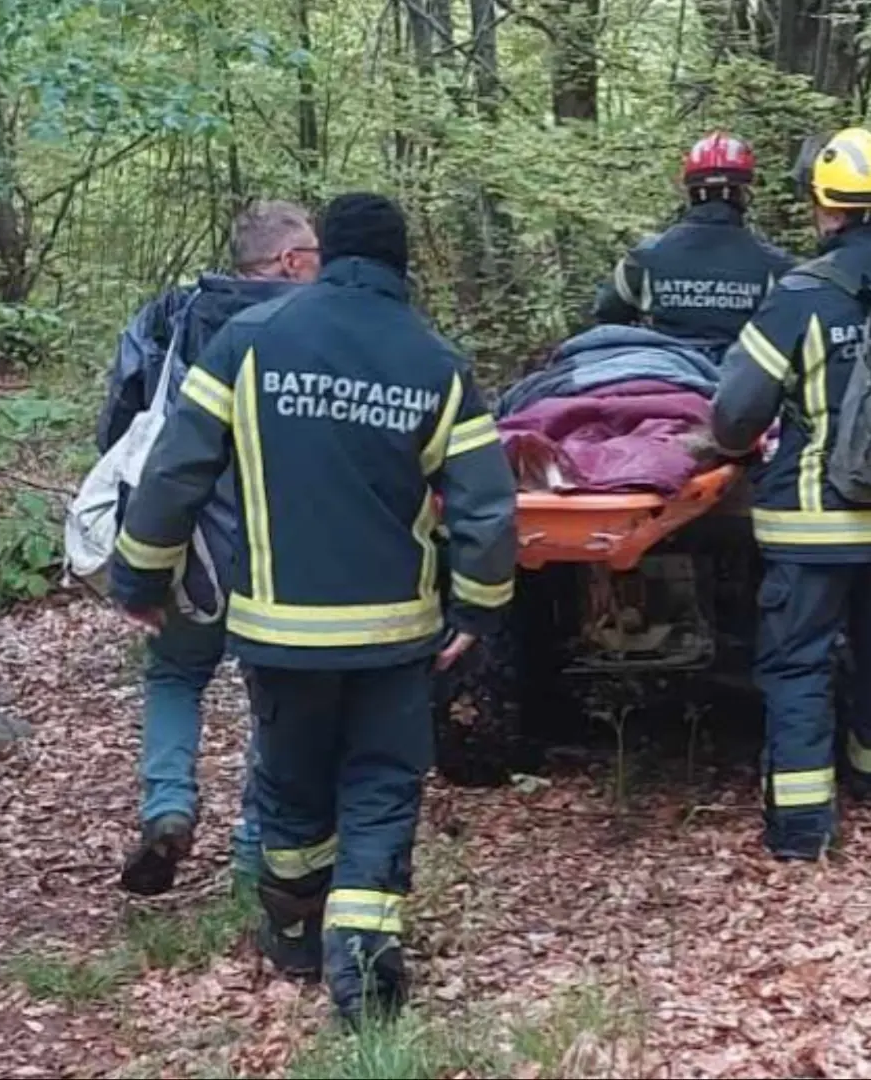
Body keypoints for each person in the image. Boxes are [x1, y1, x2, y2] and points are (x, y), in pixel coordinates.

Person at [106, 193, 518, 1025]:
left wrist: (140, 581)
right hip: (394, 637)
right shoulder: (433, 361)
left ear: (326, 255)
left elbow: (178, 470)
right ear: (403, 264)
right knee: (380, 789)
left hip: (279, 635)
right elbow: (486, 507)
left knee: (292, 796)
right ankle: (363, 967)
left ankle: (295, 939)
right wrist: (478, 612)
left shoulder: (249, 343)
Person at [709, 128, 871, 862]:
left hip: (813, 520)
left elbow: (735, 414)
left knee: (797, 664)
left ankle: (802, 826)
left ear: (826, 207)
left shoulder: (802, 295)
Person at [99, 200, 322, 896]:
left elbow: (120, 426)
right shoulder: (312, 327)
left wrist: (140, 550)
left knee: (174, 675)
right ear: (290, 260)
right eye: (314, 251)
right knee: (273, 694)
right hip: (276, 549)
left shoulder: (170, 317)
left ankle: (167, 809)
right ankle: (255, 849)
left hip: (183, 541)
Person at [591, 131, 796, 353]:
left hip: (666, 377)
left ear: (688, 192)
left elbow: (608, 314)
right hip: (742, 382)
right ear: (744, 193)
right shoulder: (776, 266)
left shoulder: (644, 258)